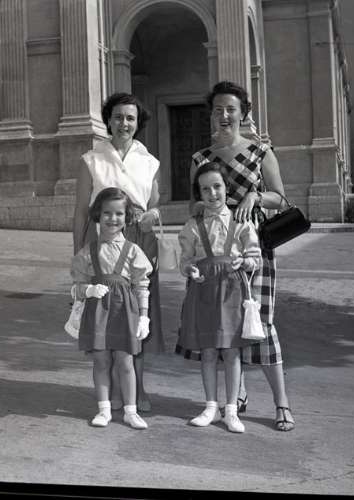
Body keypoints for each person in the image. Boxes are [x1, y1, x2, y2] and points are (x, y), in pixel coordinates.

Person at [179, 80, 295, 432]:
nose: (224, 115)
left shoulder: (261, 152)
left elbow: (281, 198)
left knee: (261, 321)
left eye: (231, 109)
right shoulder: (200, 158)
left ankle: (281, 404)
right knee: (225, 323)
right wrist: (208, 208)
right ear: (211, 115)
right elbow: (193, 205)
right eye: (218, 109)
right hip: (214, 252)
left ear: (243, 113)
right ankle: (237, 397)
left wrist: (254, 197)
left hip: (254, 247)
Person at [72, 92, 165, 412]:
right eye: (117, 117)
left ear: (138, 123)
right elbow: (81, 213)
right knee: (105, 315)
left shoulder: (149, 161)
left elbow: (155, 205)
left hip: (139, 242)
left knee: (136, 314)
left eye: (130, 118)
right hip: (103, 243)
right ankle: (109, 389)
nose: (124, 123)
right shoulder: (91, 160)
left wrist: (152, 215)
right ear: (108, 121)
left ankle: (138, 388)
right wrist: (78, 254)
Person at [177, 162, 262, 433]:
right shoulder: (192, 226)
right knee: (209, 351)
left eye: (217, 186)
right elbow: (185, 260)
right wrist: (189, 269)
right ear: (199, 194)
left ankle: (231, 410)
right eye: (205, 189)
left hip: (231, 292)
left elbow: (255, 257)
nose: (212, 193)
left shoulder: (240, 222)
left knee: (232, 351)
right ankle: (210, 407)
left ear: (227, 188)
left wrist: (245, 262)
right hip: (203, 292)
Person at [71, 188, 153, 429]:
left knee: (126, 361)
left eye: (119, 213)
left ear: (127, 217)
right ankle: (104, 409)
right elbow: (76, 287)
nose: (113, 218)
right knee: (101, 361)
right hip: (97, 312)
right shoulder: (88, 252)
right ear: (98, 214)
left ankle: (130, 411)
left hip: (125, 312)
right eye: (107, 212)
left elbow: (142, 286)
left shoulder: (133, 251)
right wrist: (88, 290)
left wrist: (144, 317)